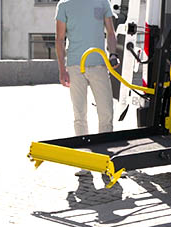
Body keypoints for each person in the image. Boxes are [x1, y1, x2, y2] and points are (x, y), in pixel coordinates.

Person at [55, 0, 119, 176]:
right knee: (80, 115)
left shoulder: (102, 1)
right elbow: (59, 39)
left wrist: (113, 54)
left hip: (99, 64)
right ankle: (84, 163)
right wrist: (62, 69)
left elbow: (111, 33)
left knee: (106, 113)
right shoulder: (64, 5)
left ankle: (105, 160)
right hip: (75, 67)